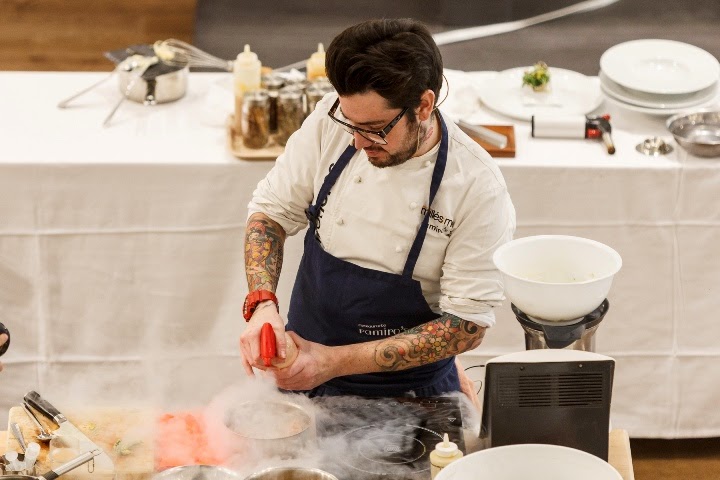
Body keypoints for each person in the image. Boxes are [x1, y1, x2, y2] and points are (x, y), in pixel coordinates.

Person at [239, 18, 515, 399]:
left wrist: (331, 362)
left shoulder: (476, 186)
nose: (356, 142)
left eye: (374, 129)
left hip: (409, 394)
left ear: (423, 105)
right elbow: (269, 215)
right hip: (303, 371)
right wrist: (262, 304)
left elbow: (465, 326)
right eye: (349, 123)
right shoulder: (330, 122)